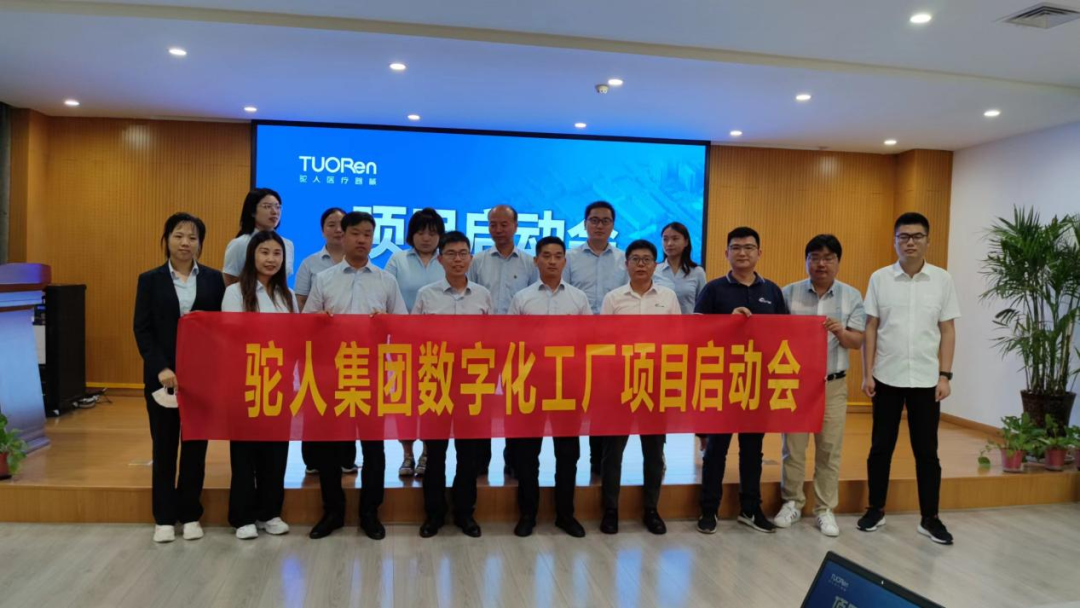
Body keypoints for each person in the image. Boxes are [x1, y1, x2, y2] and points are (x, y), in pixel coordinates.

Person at [303, 211, 408, 540]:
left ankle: (370, 513)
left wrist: (386, 323)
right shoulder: (324, 279)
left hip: (372, 374)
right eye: (356, 233)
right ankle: (333, 512)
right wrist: (320, 320)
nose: (362, 240)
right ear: (342, 235)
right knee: (330, 449)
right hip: (332, 374)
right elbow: (306, 324)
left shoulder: (386, 280)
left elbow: (402, 327)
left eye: (368, 234)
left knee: (374, 448)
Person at [859, 212, 959, 545]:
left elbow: (947, 329)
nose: (910, 242)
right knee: (880, 447)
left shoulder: (942, 280)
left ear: (928, 241)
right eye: (903, 237)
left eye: (917, 236)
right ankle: (875, 509)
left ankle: (930, 517)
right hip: (886, 376)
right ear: (895, 241)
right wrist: (867, 373)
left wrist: (945, 375)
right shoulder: (880, 278)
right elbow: (871, 327)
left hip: (927, 380)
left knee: (927, 451)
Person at [133, 212, 225, 543]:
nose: (185, 243)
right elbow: (142, 329)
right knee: (165, 447)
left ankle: (190, 514)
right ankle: (163, 517)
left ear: (200, 243)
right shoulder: (150, 279)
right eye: (178, 236)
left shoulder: (213, 280)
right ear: (166, 239)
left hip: (201, 379)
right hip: (163, 379)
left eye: (192, 237)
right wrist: (161, 367)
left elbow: (220, 329)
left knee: (195, 449)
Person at [695, 226, 789, 536]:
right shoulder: (713, 289)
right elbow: (695, 333)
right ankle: (708, 509)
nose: (743, 253)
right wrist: (727, 322)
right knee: (716, 449)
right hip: (721, 380)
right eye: (736, 247)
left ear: (759, 253)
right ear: (726, 253)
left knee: (753, 449)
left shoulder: (772, 291)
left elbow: (785, 334)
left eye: (749, 247)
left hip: (757, 382)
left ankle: (751, 508)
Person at [772, 235, 865, 537]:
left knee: (829, 449)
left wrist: (840, 332)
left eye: (828, 258)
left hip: (833, 384)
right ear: (806, 261)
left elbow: (857, 341)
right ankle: (792, 502)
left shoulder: (852, 296)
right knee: (793, 449)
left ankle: (825, 509)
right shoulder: (788, 293)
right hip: (796, 384)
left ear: (838, 262)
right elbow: (773, 335)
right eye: (814, 257)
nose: (821, 263)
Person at [506, 235, 591, 539]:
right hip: (531, 385)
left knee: (567, 454)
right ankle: (527, 514)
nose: (552, 261)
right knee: (527, 454)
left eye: (557, 256)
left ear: (565, 261)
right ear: (536, 260)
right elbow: (510, 343)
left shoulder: (578, 299)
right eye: (546, 256)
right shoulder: (522, 299)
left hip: (567, 386)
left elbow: (588, 341)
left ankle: (565, 515)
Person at [412, 231, 493, 538]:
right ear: (440, 259)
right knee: (435, 454)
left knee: (468, 455)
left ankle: (465, 514)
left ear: (470, 258)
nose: (458, 260)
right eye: (451, 254)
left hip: (472, 385)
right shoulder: (426, 295)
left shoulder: (483, 295)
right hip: (435, 382)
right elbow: (413, 339)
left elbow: (492, 340)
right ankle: (433, 515)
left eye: (463, 254)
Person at [598, 239, 680, 536]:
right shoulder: (613, 298)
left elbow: (676, 338)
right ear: (626, 264)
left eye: (647, 259)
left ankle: (651, 509)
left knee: (654, 451)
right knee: (613, 452)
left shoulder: (668, 297)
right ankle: (610, 510)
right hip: (620, 383)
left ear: (655, 265)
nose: (641, 264)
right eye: (635, 259)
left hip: (654, 383)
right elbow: (603, 341)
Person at [221, 231, 297, 540]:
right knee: (244, 453)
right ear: (252, 255)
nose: (271, 259)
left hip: (280, 382)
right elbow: (231, 336)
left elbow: (295, 339)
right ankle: (242, 517)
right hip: (246, 381)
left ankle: (270, 512)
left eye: (277, 253)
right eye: (264, 252)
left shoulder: (288, 295)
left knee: (276, 452)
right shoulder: (235, 292)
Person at [467, 204, 538, 476]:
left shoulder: (530, 262)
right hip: (482, 344)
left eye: (504, 224)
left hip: (518, 346)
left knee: (516, 403)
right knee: (481, 402)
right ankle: (479, 461)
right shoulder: (477, 261)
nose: (498, 229)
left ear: (516, 226)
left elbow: (534, 298)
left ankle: (514, 460)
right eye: (493, 224)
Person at [564, 200, 628, 476]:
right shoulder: (570, 257)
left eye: (605, 221)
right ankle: (571, 460)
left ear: (613, 226)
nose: (599, 225)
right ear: (585, 223)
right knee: (575, 399)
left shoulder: (624, 259)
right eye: (594, 220)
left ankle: (598, 460)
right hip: (577, 341)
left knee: (604, 400)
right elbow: (563, 293)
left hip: (612, 343)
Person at [294, 207, 356, 476]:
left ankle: (345, 458)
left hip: (351, 347)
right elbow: (301, 302)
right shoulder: (310, 263)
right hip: (317, 345)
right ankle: (313, 459)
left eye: (342, 225)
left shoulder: (359, 263)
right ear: (322, 230)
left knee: (348, 399)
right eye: (331, 224)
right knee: (316, 400)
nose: (337, 229)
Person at [385, 207, 446, 479]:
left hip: (439, 345)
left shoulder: (447, 260)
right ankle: (407, 454)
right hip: (404, 343)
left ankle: (427, 453)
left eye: (432, 232)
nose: (426, 238)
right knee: (406, 402)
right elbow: (386, 295)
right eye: (421, 232)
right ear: (411, 234)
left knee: (433, 399)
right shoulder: (398, 260)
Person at [651, 221, 709, 458]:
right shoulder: (655, 270)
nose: (669, 243)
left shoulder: (697, 272)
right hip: (660, 343)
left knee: (695, 393)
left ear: (686, 242)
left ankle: (704, 440)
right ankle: (659, 450)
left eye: (675, 238)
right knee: (661, 396)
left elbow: (703, 307)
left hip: (689, 342)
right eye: (665, 239)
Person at [223, 188, 296, 286]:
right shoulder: (239, 243)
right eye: (267, 206)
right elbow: (229, 280)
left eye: (278, 207)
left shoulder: (287, 244)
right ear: (252, 212)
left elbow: (284, 280)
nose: (274, 212)